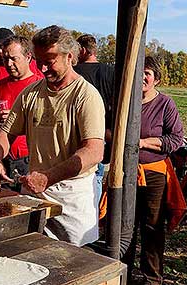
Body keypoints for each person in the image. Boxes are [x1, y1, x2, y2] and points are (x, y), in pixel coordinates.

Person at [0, 25, 105, 247]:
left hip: (72, 198)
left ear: (69, 57)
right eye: (38, 61)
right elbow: (5, 132)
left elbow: (94, 152)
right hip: (35, 195)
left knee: (74, 265)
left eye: (49, 61)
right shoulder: (31, 94)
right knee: (31, 254)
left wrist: (48, 177)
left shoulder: (86, 96)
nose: (42, 67)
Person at [123, 56, 185, 285]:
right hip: (126, 171)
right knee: (125, 222)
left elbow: (175, 140)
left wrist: (141, 143)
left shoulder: (165, 104)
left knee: (152, 224)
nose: (143, 77)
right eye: (140, 72)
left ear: (156, 77)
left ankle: (151, 278)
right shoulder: (126, 101)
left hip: (154, 173)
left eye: (147, 72)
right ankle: (124, 272)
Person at [0, 28, 43, 179]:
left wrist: (17, 119)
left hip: (26, 160)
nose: (9, 64)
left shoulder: (40, 86)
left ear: (28, 57)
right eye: (6, 59)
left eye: (14, 58)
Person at [74, 33, 115, 201]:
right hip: (104, 131)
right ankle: (95, 211)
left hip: (80, 131)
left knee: (80, 175)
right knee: (97, 175)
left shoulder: (76, 72)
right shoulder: (110, 71)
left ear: (83, 50)